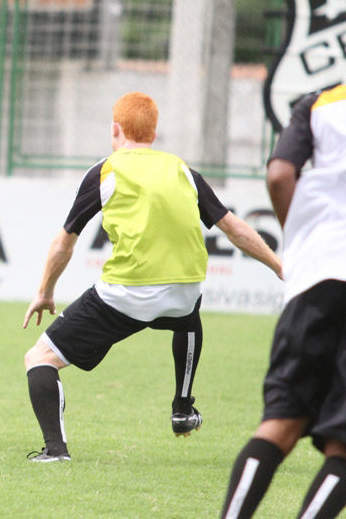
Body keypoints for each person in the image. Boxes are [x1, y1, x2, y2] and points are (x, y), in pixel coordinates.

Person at [22, 92, 283, 462]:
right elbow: (233, 227)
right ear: (153, 135)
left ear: (115, 129)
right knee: (187, 312)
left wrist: (45, 292)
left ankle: (55, 450)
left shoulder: (106, 170)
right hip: (183, 290)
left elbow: (64, 244)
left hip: (126, 294)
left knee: (40, 358)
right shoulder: (182, 170)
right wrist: (279, 265)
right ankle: (182, 408)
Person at [220, 85, 346, 517]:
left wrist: (301, 238)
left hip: (317, 272)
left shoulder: (321, 102)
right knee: (343, 445)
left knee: (280, 422)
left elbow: (278, 174)